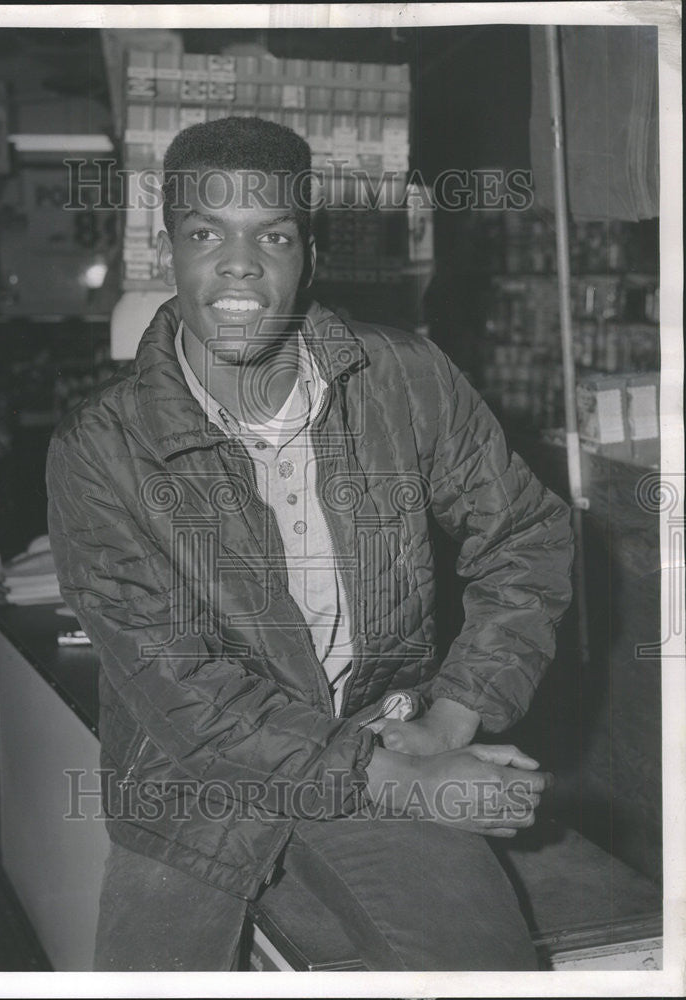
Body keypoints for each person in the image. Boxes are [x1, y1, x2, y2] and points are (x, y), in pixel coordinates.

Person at [46, 116, 574, 972]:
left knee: (489, 966)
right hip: (197, 782)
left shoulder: (405, 379)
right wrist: (408, 783)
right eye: (206, 233)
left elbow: (525, 535)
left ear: (310, 253)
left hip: (379, 737)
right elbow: (184, 694)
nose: (240, 263)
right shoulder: (100, 449)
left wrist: (452, 718)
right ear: (168, 252)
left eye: (274, 235)